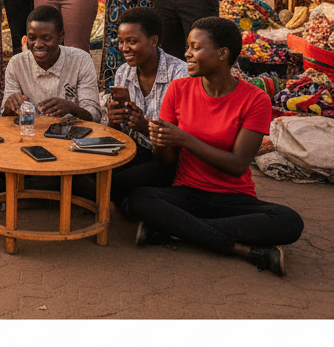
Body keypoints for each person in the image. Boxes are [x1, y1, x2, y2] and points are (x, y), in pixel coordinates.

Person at [127, 17, 304, 276]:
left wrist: (184, 139)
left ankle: (177, 229)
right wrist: (160, 141)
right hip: (187, 193)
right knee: (139, 198)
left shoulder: (255, 99)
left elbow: (237, 165)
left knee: (289, 221)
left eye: (195, 47)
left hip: (234, 198)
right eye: (188, 47)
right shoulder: (179, 89)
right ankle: (242, 249)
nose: (187, 53)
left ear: (223, 54)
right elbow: (165, 161)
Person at [101, 7, 185, 206]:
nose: (124, 48)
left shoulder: (180, 76)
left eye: (132, 41)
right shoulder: (123, 73)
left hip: (168, 159)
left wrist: (143, 126)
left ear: (153, 41)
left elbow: (180, 140)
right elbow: (117, 134)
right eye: (121, 41)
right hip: (133, 150)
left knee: (111, 183)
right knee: (94, 171)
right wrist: (114, 120)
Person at [1, 6, 101, 122]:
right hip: (30, 135)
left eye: (46, 38)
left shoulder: (81, 60)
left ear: (61, 36)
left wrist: (72, 109)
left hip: (73, 136)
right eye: (32, 38)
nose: (38, 44)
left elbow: (95, 116)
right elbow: (4, 119)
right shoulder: (17, 64)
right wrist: (10, 106)